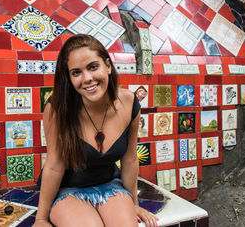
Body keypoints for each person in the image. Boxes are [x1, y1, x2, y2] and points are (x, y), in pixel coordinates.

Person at [33, 34, 159, 227]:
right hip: (67, 189)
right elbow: (53, 165)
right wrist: (41, 218)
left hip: (110, 185)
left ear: (107, 66)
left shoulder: (130, 103)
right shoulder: (57, 109)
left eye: (93, 67)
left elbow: (130, 159)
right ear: (69, 77)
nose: (87, 79)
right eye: (76, 73)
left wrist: (134, 204)